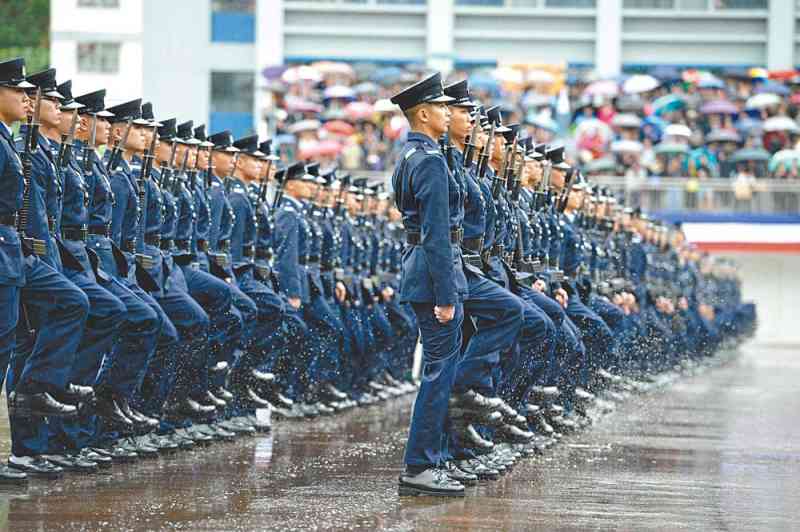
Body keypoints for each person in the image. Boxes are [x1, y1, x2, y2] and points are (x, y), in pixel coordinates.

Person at [390, 72, 469, 497]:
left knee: (441, 370)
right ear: (422, 113)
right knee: (439, 374)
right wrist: (446, 296)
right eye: (441, 107)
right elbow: (437, 234)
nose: (447, 112)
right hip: (433, 275)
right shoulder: (431, 161)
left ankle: (431, 460)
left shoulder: (410, 156)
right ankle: (420, 465)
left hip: (421, 268)